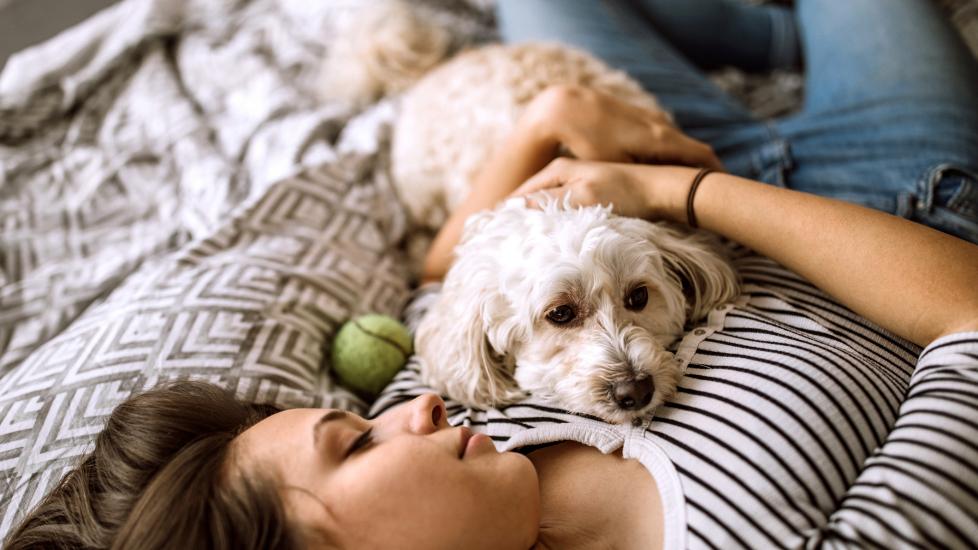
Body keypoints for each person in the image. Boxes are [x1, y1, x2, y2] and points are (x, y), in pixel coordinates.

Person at [6, 0, 978, 548]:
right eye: (355, 443)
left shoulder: (457, 412)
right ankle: (775, 32)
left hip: (662, 155)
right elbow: (969, 315)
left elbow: (451, 263)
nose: (413, 409)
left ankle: (760, 37)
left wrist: (546, 124)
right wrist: (676, 194)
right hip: (899, 198)